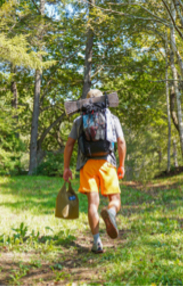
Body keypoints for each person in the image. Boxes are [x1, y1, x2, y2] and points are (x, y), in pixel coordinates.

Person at [63, 89, 126, 254]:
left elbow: (69, 145)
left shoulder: (80, 120)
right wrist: (121, 165)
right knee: (115, 199)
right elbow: (121, 142)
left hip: (87, 164)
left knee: (93, 204)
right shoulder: (112, 118)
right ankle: (111, 212)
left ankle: (97, 242)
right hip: (107, 163)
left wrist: (66, 167)